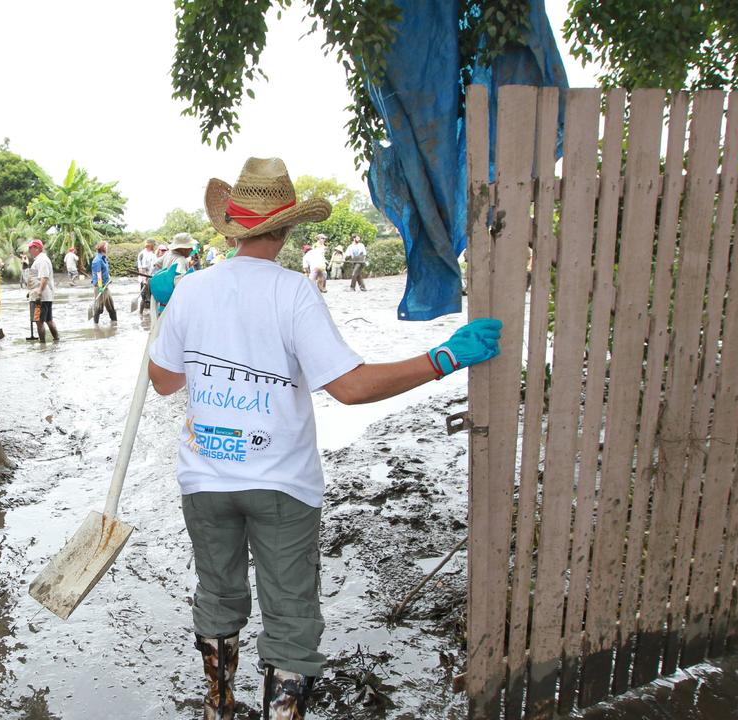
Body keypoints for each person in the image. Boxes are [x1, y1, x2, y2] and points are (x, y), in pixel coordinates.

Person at [147, 157, 502, 720]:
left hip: (205, 479)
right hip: (282, 486)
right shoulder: (294, 293)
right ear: (289, 229)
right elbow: (351, 388)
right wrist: (443, 358)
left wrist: (171, 309)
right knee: (290, 618)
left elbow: (163, 383)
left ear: (231, 227)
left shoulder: (190, 291)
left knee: (217, 598)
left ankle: (218, 709)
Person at [26, 239, 59, 342]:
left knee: (39, 321)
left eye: (31, 248)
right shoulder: (40, 259)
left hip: (40, 298)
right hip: (45, 296)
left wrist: (39, 291)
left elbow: (44, 277)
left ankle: (42, 344)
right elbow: (34, 278)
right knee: (49, 320)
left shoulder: (42, 260)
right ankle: (56, 339)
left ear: (37, 248)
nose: (29, 250)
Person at [90, 240, 117, 324]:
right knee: (99, 308)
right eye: (107, 246)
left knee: (111, 307)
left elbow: (105, 272)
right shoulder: (97, 260)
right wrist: (101, 287)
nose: (108, 248)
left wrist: (108, 278)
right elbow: (98, 274)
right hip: (99, 287)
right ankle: (96, 326)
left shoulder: (104, 258)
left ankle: (114, 324)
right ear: (104, 248)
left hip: (106, 286)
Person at [137, 238, 159, 313]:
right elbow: (142, 269)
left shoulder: (153, 254)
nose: (154, 246)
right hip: (145, 279)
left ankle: (148, 316)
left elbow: (156, 266)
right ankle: (141, 314)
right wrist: (144, 280)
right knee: (144, 298)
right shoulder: (143, 254)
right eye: (153, 245)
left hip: (151, 278)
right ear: (150, 245)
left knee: (151, 298)